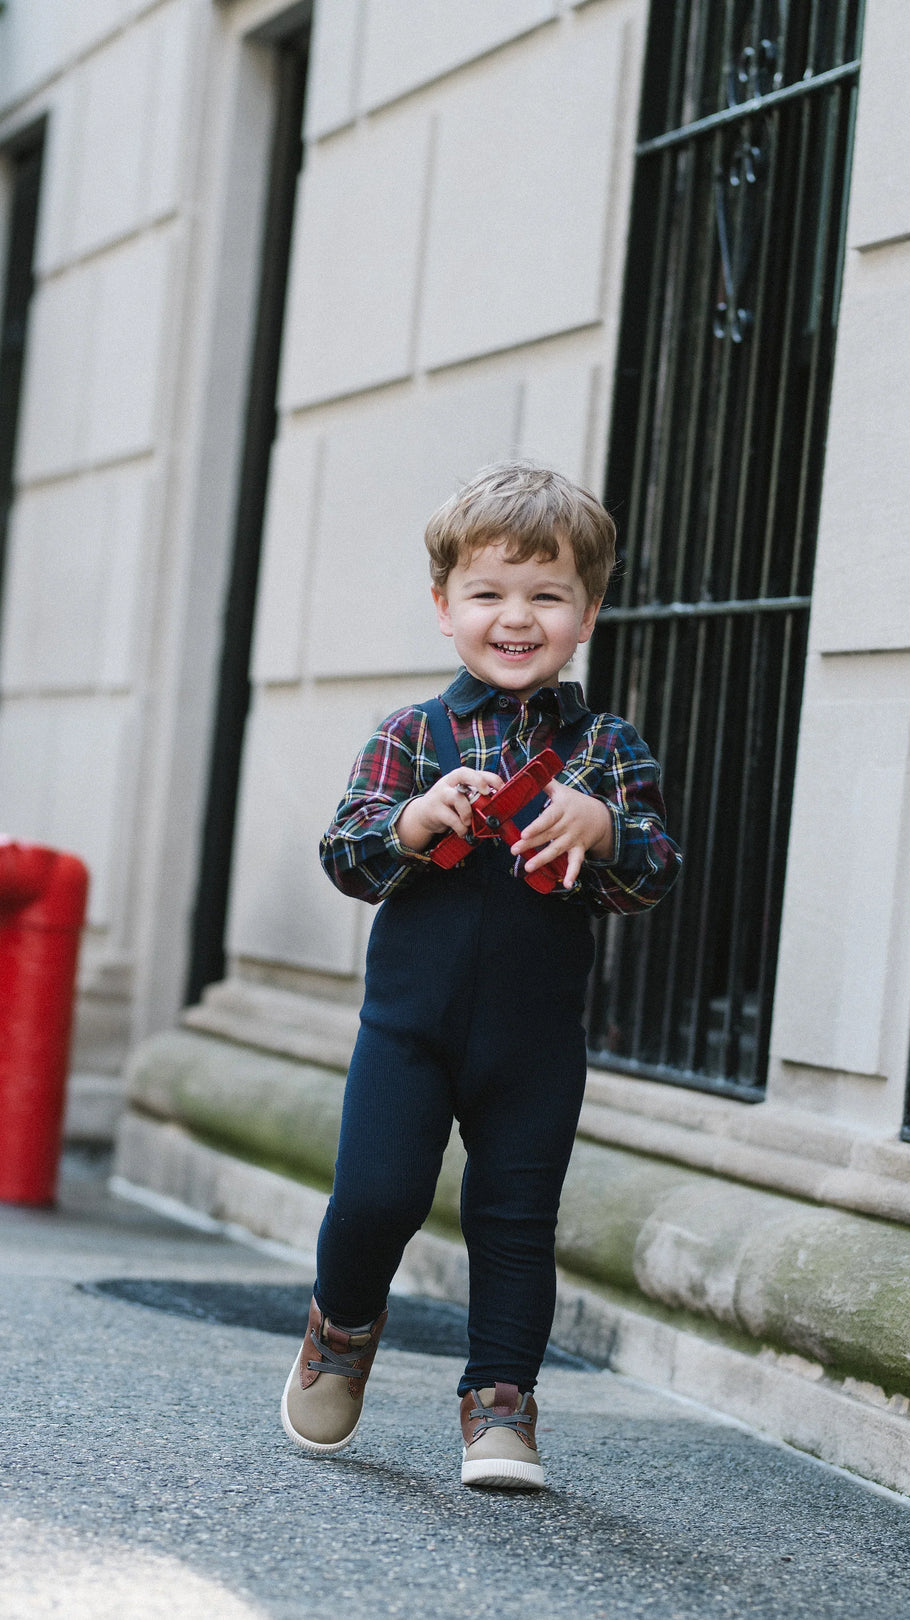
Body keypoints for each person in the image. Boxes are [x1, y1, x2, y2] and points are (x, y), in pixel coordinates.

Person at [281, 461, 681, 1489]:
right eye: (489, 593)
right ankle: (342, 1325)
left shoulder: (609, 750)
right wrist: (413, 821)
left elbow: (652, 876)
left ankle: (500, 1405)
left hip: (533, 1041)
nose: (517, 617)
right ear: (445, 607)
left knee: (515, 1221)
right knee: (377, 1196)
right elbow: (346, 856)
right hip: (408, 1027)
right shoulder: (412, 735)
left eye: (547, 595)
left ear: (587, 612)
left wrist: (604, 828)